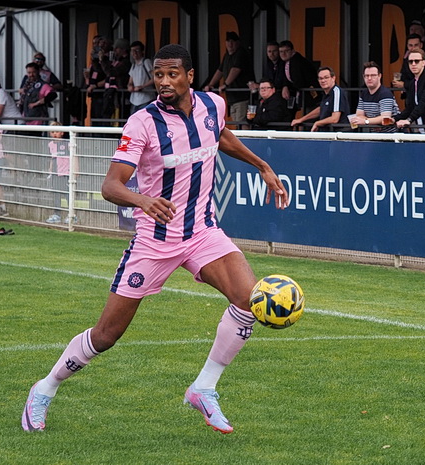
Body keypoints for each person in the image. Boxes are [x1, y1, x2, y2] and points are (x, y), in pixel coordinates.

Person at [21, 43, 289, 435]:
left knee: (248, 300)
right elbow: (111, 186)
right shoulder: (142, 123)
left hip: (201, 232)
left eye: (171, 74)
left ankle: (204, 387)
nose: (162, 82)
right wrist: (144, 201)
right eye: (158, 75)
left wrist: (263, 165)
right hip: (154, 242)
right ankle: (44, 389)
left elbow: (221, 137)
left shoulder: (213, 105)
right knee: (106, 335)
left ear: (190, 76)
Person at [203, 31, 255, 129]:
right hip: (232, 98)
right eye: (228, 41)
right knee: (236, 123)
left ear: (238, 43)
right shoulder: (227, 55)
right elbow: (220, 71)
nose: (230, 44)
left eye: (233, 41)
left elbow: (236, 69)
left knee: (242, 122)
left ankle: (244, 143)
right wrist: (210, 84)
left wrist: (225, 84)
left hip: (242, 97)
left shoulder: (241, 53)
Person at [291, 67, 349, 132]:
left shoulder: (336, 91)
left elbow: (335, 119)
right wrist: (301, 120)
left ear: (333, 78)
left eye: (326, 77)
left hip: (337, 135)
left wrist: (317, 123)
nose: (323, 80)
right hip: (326, 133)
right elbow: (321, 109)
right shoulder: (326, 93)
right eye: (320, 78)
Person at [351, 61, 399, 132]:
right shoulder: (363, 94)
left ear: (379, 76)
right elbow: (359, 115)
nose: (369, 78)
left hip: (391, 136)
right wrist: (374, 122)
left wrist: (367, 121)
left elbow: (385, 118)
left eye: (373, 75)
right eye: (366, 76)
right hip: (374, 135)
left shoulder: (385, 94)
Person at [277, 40, 318, 114]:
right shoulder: (285, 62)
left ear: (292, 50)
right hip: (301, 94)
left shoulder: (297, 61)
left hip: (310, 94)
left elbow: (299, 81)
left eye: (286, 51)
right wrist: (285, 86)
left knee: (308, 118)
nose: (283, 54)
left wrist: (288, 88)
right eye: (281, 51)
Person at [45, 122, 73, 224]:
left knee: (66, 193)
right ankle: (57, 214)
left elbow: (74, 157)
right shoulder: (50, 144)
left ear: (62, 132)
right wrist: (50, 170)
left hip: (65, 173)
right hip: (55, 173)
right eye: (52, 132)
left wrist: (75, 169)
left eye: (56, 131)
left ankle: (72, 214)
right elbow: (52, 158)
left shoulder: (68, 143)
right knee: (56, 194)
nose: (54, 134)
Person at [127, 40, 155, 114]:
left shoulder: (146, 62)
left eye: (137, 50)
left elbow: (155, 78)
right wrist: (130, 86)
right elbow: (130, 81)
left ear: (142, 51)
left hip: (146, 98)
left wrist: (142, 86)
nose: (134, 53)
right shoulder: (133, 65)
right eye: (133, 51)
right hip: (134, 99)